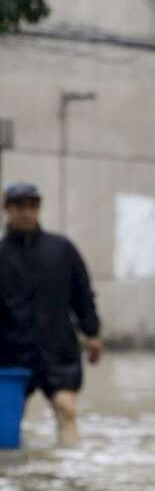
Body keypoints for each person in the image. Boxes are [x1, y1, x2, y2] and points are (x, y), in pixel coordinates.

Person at [0, 182, 103, 446]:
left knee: (67, 410)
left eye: (32, 206)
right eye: (19, 206)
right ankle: (13, 478)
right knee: (7, 420)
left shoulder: (61, 249)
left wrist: (92, 333)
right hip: (10, 352)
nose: (26, 213)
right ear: (7, 210)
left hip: (57, 349)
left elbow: (82, 294)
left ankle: (67, 472)